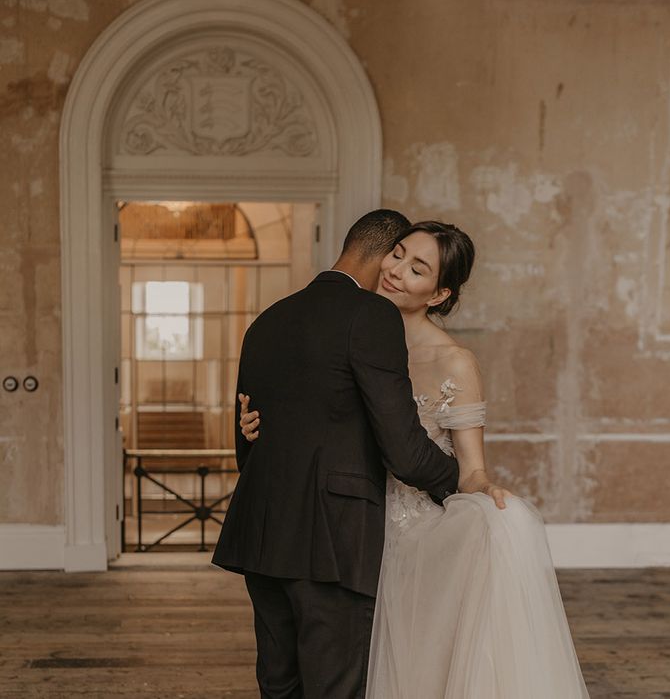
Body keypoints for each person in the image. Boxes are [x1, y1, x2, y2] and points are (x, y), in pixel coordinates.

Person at [240, 221, 591, 698]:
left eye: (417, 268)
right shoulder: (351, 325)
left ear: (439, 293)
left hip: (400, 532)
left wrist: (478, 486)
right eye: (398, 254)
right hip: (341, 529)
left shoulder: (453, 361)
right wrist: (258, 428)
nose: (397, 271)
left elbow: (466, 466)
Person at [212, 209, 461, 699]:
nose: (398, 270)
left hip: (262, 535)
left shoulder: (268, 319)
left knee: (279, 686)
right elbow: (404, 451)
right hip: (332, 538)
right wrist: (457, 480)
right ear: (384, 250)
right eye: (398, 255)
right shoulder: (372, 315)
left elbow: (247, 445)